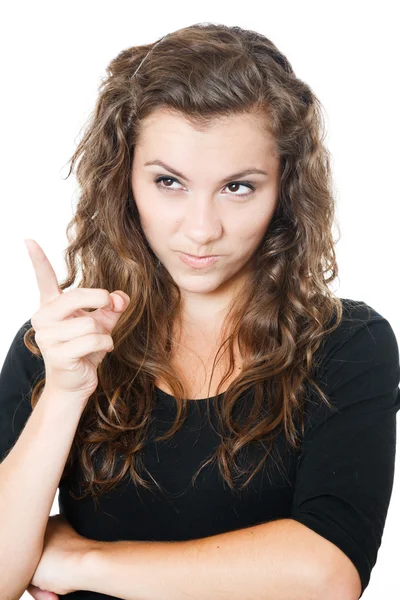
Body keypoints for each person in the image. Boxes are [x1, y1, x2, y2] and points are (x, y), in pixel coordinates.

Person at [1, 22, 399, 600]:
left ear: (285, 188)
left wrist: (84, 560)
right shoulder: (64, 342)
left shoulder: (346, 343)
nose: (201, 229)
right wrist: (65, 392)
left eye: (238, 187)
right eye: (169, 182)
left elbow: (325, 574)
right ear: (125, 180)